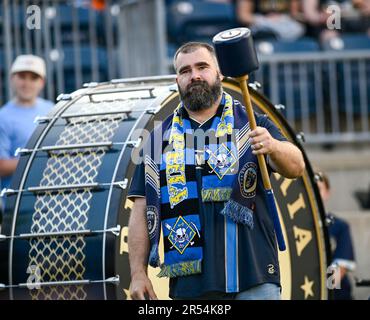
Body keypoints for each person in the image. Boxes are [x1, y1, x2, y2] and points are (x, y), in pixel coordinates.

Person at [127, 42, 305, 300]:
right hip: (191, 288)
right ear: (177, 80)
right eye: (185, 71)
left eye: (202, 67)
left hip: (254, 278)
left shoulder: (252, 124)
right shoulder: (156, 141)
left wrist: (273, 146)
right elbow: (141, 210)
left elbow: (297, 166)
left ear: (219, 73)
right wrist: (138, 273)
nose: (195, 75)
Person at [0, 55, 54, 207]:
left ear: (42, 82)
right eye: (22, 77)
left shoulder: (51, 110)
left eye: (33, 78)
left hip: (52, 195)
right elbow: (1, 167)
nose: (27, 83)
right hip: (19, 204)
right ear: (12, 79)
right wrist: (38, 158)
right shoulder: (2, 117)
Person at [316, 170, 356, 300]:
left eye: (318, 189)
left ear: (327, 193)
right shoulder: (294, 227)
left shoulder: (340, 227)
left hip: (335, 296)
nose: (314, 194)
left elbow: (339, 270)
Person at [235, 0, 305, 41]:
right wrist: (265, 20)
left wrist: (282, 18)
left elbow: (294, 14)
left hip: (284, 24)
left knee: (299, 29)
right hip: (260, 23)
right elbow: (243, 16)